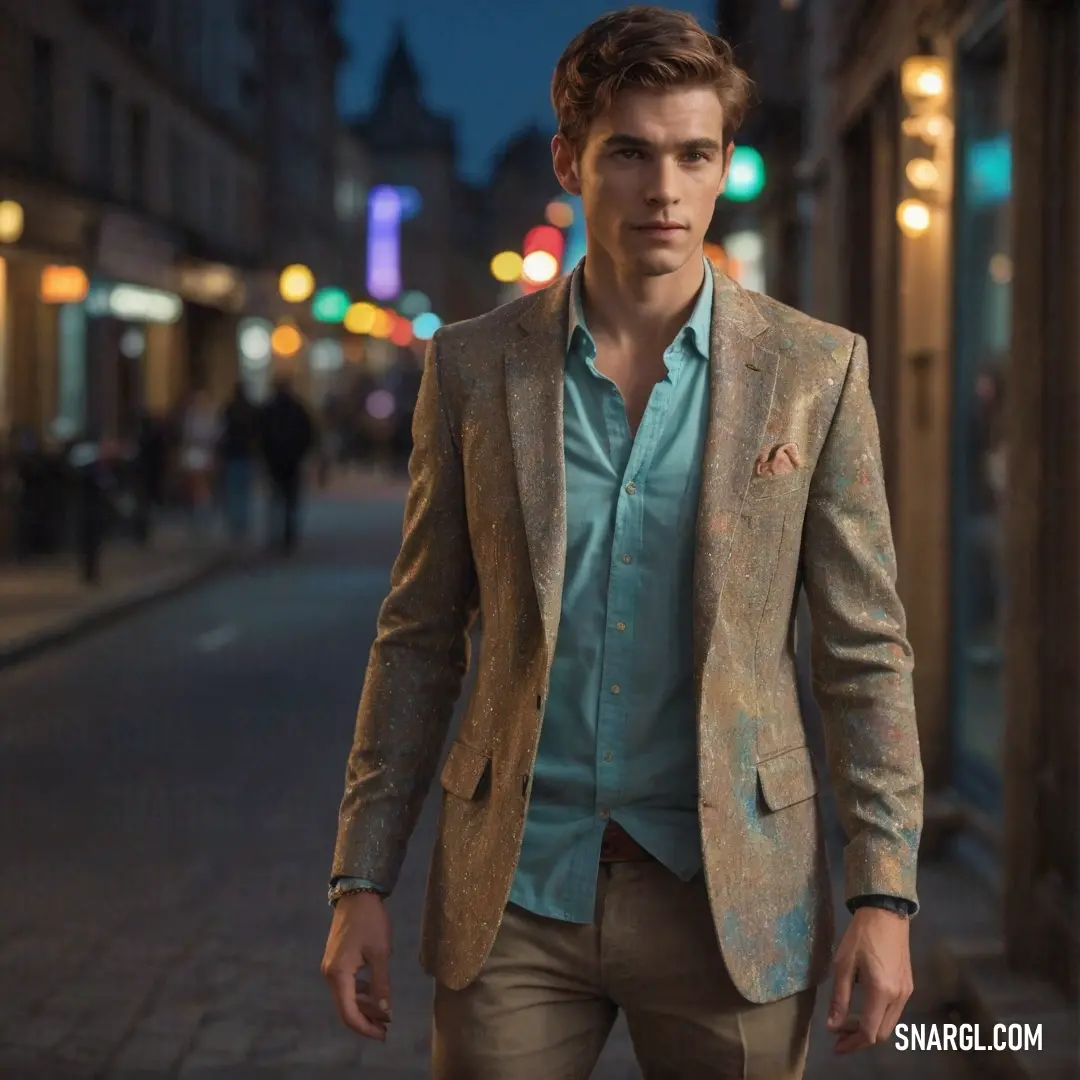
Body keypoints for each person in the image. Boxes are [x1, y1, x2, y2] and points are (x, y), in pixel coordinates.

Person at [322, 8, 923, 1079]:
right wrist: (360, 875)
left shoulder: (812, 370)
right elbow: (417, 637)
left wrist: (884, 891)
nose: (665, 188)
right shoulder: (472, 370)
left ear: (724, 164)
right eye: (630, 153)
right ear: (570, 162)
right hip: (514, 896)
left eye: (694, 155)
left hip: (728, 900)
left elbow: (863, 649)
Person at [258, 374, 314, 554]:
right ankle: (288, 536)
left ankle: (275, 536)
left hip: (274, 461)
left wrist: (265, 455)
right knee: (291, 500)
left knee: (276, 499)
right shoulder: (297, 408)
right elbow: (308, 433)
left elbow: (260, 435)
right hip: (292, 461)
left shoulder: (269, 409)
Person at [217, 381, 259, 542]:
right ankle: (242, 522)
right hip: (245, 454)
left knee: (234, 490)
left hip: (233, 454)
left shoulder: (230, 409)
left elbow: (221, 431)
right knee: (243, 491)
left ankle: (237, 523)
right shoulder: (250, 410)